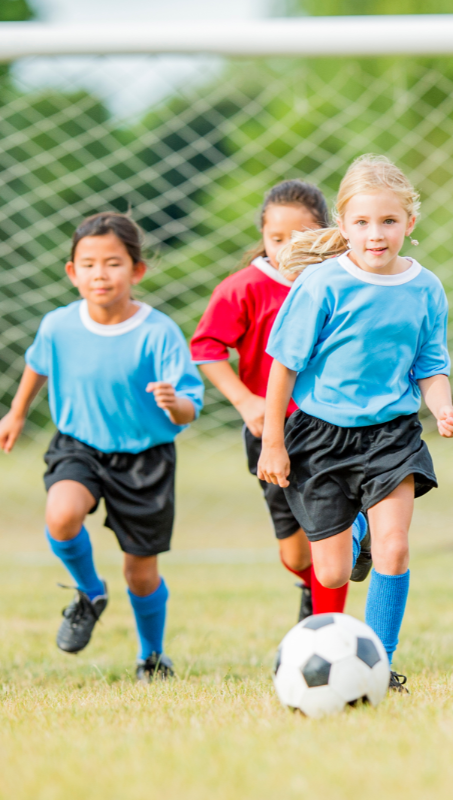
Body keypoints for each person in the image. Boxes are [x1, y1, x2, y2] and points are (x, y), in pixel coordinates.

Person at [258, 154, 453, 693]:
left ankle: (378, 662)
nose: (376, 234)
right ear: (343, 225)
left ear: (409, 224)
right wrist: (273, 442)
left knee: (394, 546)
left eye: (389, 222)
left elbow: (431, 365)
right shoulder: (322, 285)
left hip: (391, 436)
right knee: (329, 573)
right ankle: (352, 537)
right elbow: (283, 365)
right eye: (363, 223)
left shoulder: (426, 289)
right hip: (320, 438)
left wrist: (441, 405)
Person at [0, 212, 204, 682]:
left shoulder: (159, 331)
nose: (100, 274)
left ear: (137, 271)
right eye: (88, 264)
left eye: (113, 263)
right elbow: (37, 365)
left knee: (141, 575)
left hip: (146, 458)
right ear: (72, 272)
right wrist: (17, 412)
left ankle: (152, 656)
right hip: (79, 446)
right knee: (61, 515)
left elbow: (192, 405)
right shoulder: (58, 326)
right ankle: (90, 593)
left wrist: (176, 404)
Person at [192, 180, 364, 621]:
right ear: (264, 238)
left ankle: (330, 628)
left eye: (301, 237)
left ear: (326, 234)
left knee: (333, 537)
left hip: (334, 429)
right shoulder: (244, 287)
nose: (289, 249)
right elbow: (206, 348)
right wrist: (247, 401)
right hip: (274, 431)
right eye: (277, 239)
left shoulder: (347, 281)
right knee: (296, 554)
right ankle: (313, 593)